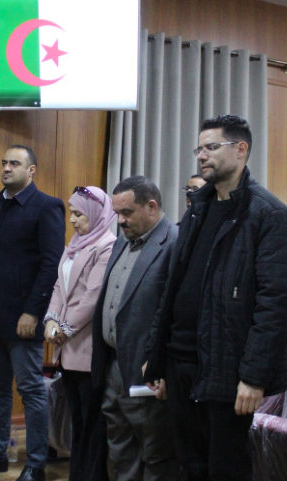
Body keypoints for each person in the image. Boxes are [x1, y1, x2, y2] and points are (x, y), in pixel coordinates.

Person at [143, 115, 287, 480]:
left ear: (241, 150)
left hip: (227, 367)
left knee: (226, 469)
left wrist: (255, 377)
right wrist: (158, 358)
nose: (202, 156)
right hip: (181, 361)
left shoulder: (268, 214)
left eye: (211, 147)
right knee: (190, 466)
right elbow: (173, 287)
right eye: (199, 149)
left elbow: (276, 304)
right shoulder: (198, 207)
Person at [0, 145, 65, 481]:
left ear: (31, 171)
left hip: (23, 319)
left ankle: (35, 464)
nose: (6, 168)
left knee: (31, 391)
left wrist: (33, 312)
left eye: (14, 163)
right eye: (4, 162)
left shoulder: (47, 206)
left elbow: (51, 265)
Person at [90, 176, 180, 480]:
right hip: (113, 365)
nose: (120, 221)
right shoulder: (122, 241)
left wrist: (163, 365)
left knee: (156, 455)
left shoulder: (175, 243)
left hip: (148, 371)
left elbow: (179, 314)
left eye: (127, 212)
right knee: (120, 450)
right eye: (117, 213)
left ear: (151, 206)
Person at [42, 185, 116, 481]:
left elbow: (92, 298)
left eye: (78, 214)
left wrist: (64, 329)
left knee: (92, 424)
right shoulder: (75, 244)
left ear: (95, 214)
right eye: (71, 213)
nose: (71, 219)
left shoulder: (107, 245)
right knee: (78, 421)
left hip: (87, 348)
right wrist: (51, 320)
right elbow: (59, 287)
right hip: (67, 348)